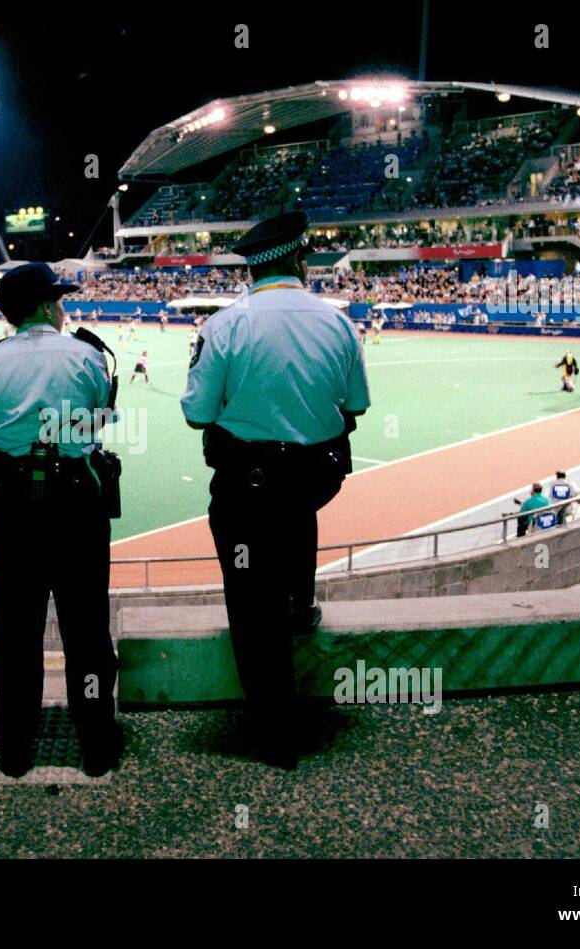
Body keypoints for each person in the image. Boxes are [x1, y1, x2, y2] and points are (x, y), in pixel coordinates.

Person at [180, 211, 370, 770]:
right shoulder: (337, 322)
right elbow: (355, 406)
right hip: (311, 481)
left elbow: (196, 414)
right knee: (295, 526)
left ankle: (273, 733)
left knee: (247, 598)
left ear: (252, 269)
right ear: (297, 259)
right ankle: (300, 601)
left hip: (247, 484)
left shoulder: (224, 325)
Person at [0, 262, 124, 779]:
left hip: (13, 508)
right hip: (76, 506)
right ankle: (96, 743)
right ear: (45, 306)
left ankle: (15, 746)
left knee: (16, 630)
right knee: (86, 629)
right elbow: (102, 417)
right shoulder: (86, 355)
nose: (64, 309)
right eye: (58, 300)